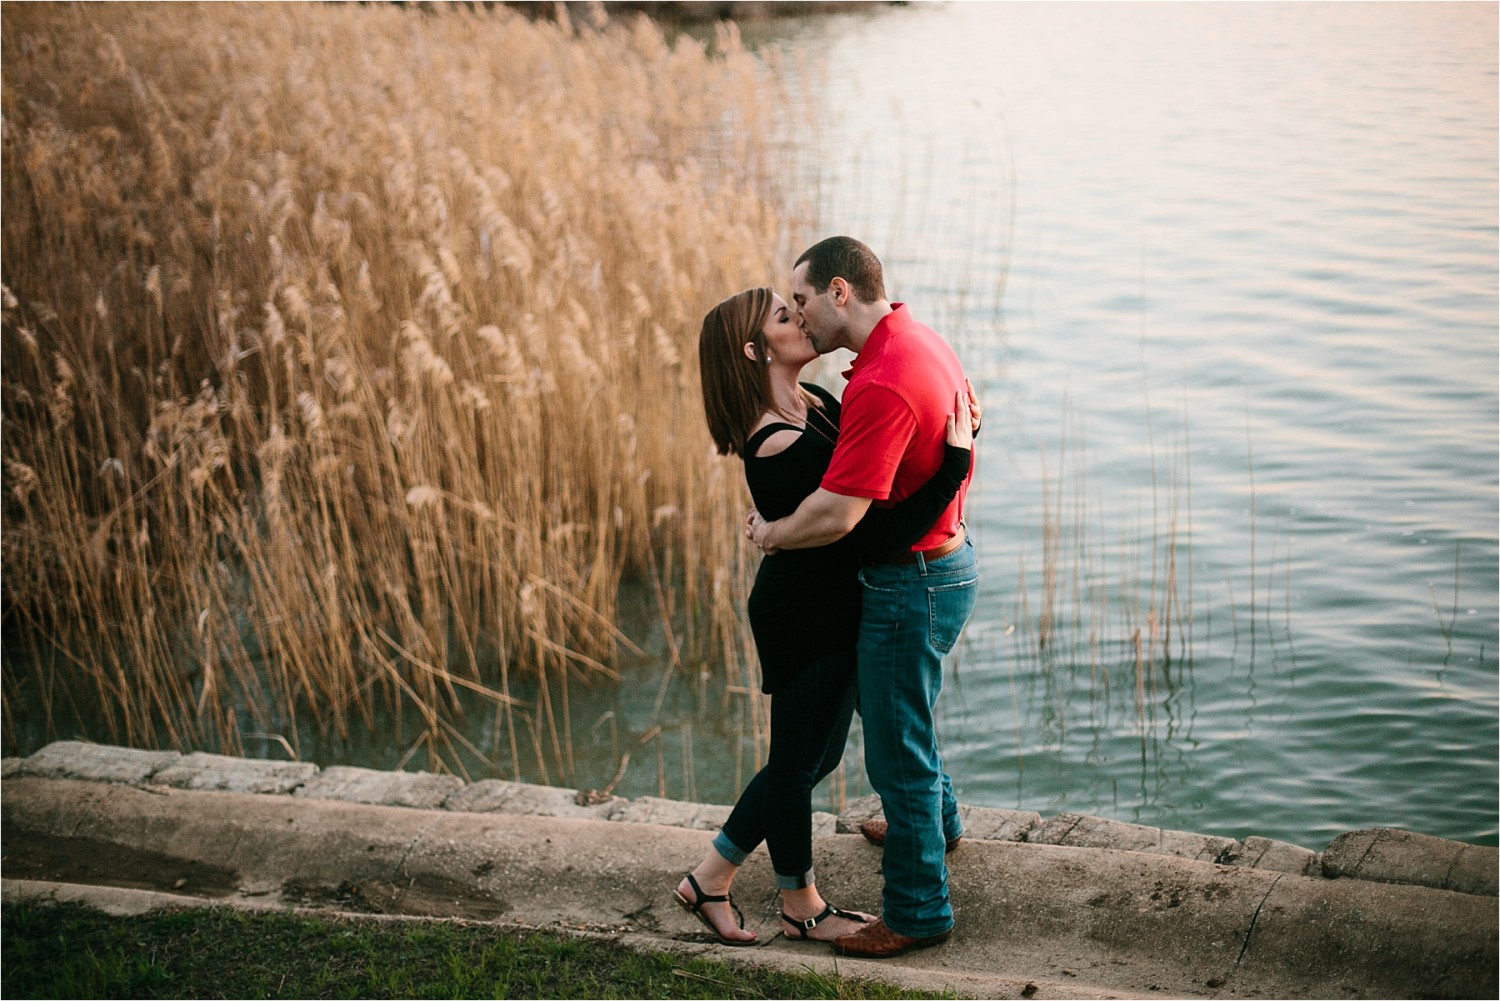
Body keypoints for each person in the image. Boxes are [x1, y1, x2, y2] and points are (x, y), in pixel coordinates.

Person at [674, 286, 977, 946]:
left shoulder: (815, 403)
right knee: (797, 763)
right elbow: (869, 533)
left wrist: (931, 428)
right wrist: (953, 469)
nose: (800, 319)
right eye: (784, 316)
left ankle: (709, 877)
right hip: (803, 615)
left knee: (811, 756)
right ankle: (800, 907)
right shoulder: (776, 445)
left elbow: (877, 470)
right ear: (757, 350)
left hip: (834, 607)